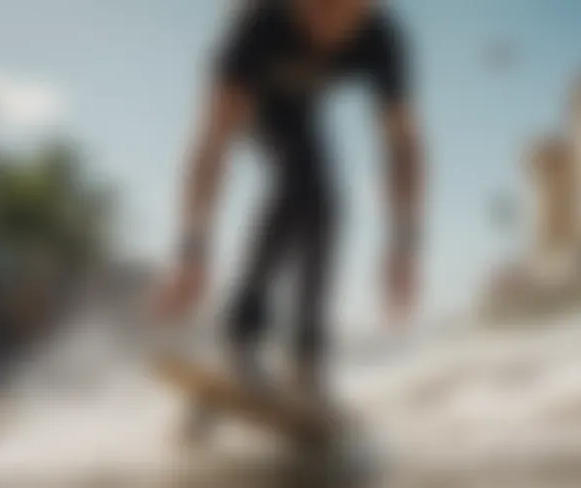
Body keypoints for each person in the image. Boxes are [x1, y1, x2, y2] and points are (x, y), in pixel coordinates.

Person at [155, 0, 424, 397]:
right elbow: (211, 144)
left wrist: (402, 247)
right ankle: (241, 337)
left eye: (339, 11)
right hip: (258, 104)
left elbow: (402, 148)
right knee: (299, 183)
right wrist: (192, 249)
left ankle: (309, 359)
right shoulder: (256, 29)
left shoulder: (382, 38)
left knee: (329, 206)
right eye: (313, 8)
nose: (324, 22)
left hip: (301, 109)